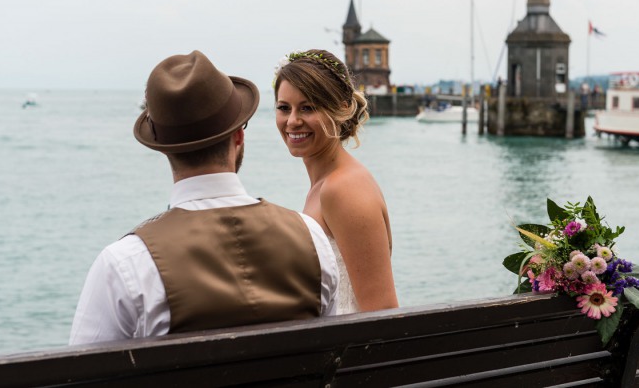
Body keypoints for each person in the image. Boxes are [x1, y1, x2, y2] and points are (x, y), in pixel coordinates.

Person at [69, 50, 338, 345]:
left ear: (162, 148)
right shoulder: (312, 238)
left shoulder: (126, 263)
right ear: (238, 137)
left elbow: (81, 374)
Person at [273, 49, 398, 314]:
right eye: (284, 108)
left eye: (308, 107)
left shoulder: (344, 189)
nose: (292, 121)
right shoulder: (326, 184)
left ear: (340, 108)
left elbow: (382, 312)